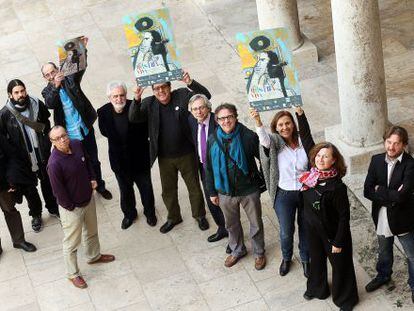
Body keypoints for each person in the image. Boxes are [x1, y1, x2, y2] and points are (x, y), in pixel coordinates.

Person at [129, 72, 209, 234]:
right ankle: (173, 217)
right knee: (168, 190)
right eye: (156, 88)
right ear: (152, 90)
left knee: (194, 187)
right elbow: (133, 117)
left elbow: (205, 97)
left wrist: (190, 82)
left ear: (169, 87)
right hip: (165, 158)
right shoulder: (149, 103)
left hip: (187, 153)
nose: (160, 91)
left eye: (164, 87)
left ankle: (199, 215)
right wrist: (136, 99)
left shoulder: (182, 95)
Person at [41, 36, 112, 201]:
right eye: (48, 75)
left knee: (93, 159)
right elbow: (50, 103)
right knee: (79, 162)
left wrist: (82, 49)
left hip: (84, 128)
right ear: (45, 78)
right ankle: (86, 186)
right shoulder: (47, 91)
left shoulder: (70, 80)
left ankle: (100, 185)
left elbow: (79, 68)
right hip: (69, 135)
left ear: (58, 70)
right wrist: (55, 86)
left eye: (53, 72)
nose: (52, 75)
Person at [47, 126, 115, 289]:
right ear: (52, 142)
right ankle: (73, 274)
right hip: (72, 208)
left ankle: (93, 256)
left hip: (88, 199)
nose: (62, 140)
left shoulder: (77, 144)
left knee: (91, 231)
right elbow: (58, 191)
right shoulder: (54, 163)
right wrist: (71, 207)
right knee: (71, 243)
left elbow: (89, 162)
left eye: (64, 135)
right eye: (57, 138)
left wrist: (92, 178)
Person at [250, 107, 310, 277]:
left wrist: (300, 112)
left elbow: (312, 152)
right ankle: (286, 258)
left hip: (305, 192)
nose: (285, 127)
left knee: (305, 228)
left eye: (288, 123)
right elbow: (264, 141)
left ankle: (306, 259)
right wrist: (258, 121)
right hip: (284, 195)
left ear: (293, 124)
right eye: (281, 125)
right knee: (286, 230)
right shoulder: (276, 142)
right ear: (275, 127)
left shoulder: (303, 142)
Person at [205, 103, 266, 270]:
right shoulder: (212, 139)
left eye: (229, 117)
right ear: (217, 121)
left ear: (235, 117)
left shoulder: (247, 136)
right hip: (225, 192)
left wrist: (262, 178)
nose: (226, 121)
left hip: (248, 190)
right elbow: (208, 168)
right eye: (222, 118)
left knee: (256, 223)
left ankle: (259, 252)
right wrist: (212, 191)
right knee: (231, 225)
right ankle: (237, 250)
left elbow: (264, 157)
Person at [300, 142, 359, 311]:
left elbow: (343, 217)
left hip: (333, 233)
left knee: (341, 266)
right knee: (316, 261)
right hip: (314, 231)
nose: (321, 159)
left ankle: (346, 299)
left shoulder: (337, 187)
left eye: (325, 156)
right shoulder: (310, 178)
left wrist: (339, 242)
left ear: (333, 160)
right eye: (318, 155)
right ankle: (317, 289)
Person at [0, 79, 59, 232]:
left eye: (22, 91)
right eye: (17, 92)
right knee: (30, 190)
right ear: (10, 95)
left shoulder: (36, 103)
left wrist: (46, 142)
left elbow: (46, 121)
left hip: (42, 152)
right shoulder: (5, 114)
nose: (21, 95)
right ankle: (36, 214)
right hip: (23, 159)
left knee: (47, 182)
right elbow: (4, 139)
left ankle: (52, 207)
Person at [364, 126, 414, 303]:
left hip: (403, 219)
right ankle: (383, 275)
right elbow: (367, 191)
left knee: (412, 255)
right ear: (384, 141)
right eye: (388, 142)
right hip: (382, 216)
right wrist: (391, 195)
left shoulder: (410, 164)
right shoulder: (376, 160)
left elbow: (403, 196)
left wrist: (381, 190)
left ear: (404, 145)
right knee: (384, 250)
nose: (391, 147)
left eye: (396, 144)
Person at [98, 81, 157, 230]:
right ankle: (129, 215)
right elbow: (104, 132)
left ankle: (150, 213)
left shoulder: (136, 106)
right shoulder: (103, 112)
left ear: (126, 95)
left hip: (139, 159)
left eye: (121, 95)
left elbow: (145, 129)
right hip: (119, 162)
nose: (119, 99)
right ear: (109, 97)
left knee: (146, 189)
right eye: (115, 96)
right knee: (125, 191)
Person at [188, 94, 228, 244]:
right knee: (211, 201)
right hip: (204, 169)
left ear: (208, 108)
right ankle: (222, 228)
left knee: (227, 203)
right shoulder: (191, 121)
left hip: (221, 169)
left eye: (201, 108)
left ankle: (234, 234)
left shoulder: (218, 122)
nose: (198, 112)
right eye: (195, 109)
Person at [0, 133, 37, 254]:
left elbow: (11, 156)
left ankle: (18, 240)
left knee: (10, 210)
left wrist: (11, 180)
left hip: (3, 184)